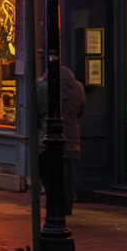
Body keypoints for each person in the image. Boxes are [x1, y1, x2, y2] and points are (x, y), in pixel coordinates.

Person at [36, 64, 87, 215]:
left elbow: (36, 112)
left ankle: (55, 205)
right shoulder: (78, 88)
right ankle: (66, 204)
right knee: (68, 175)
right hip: (72, 140)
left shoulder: (43, 88)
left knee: (48, 173)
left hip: (48, 140)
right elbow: (80, 111)